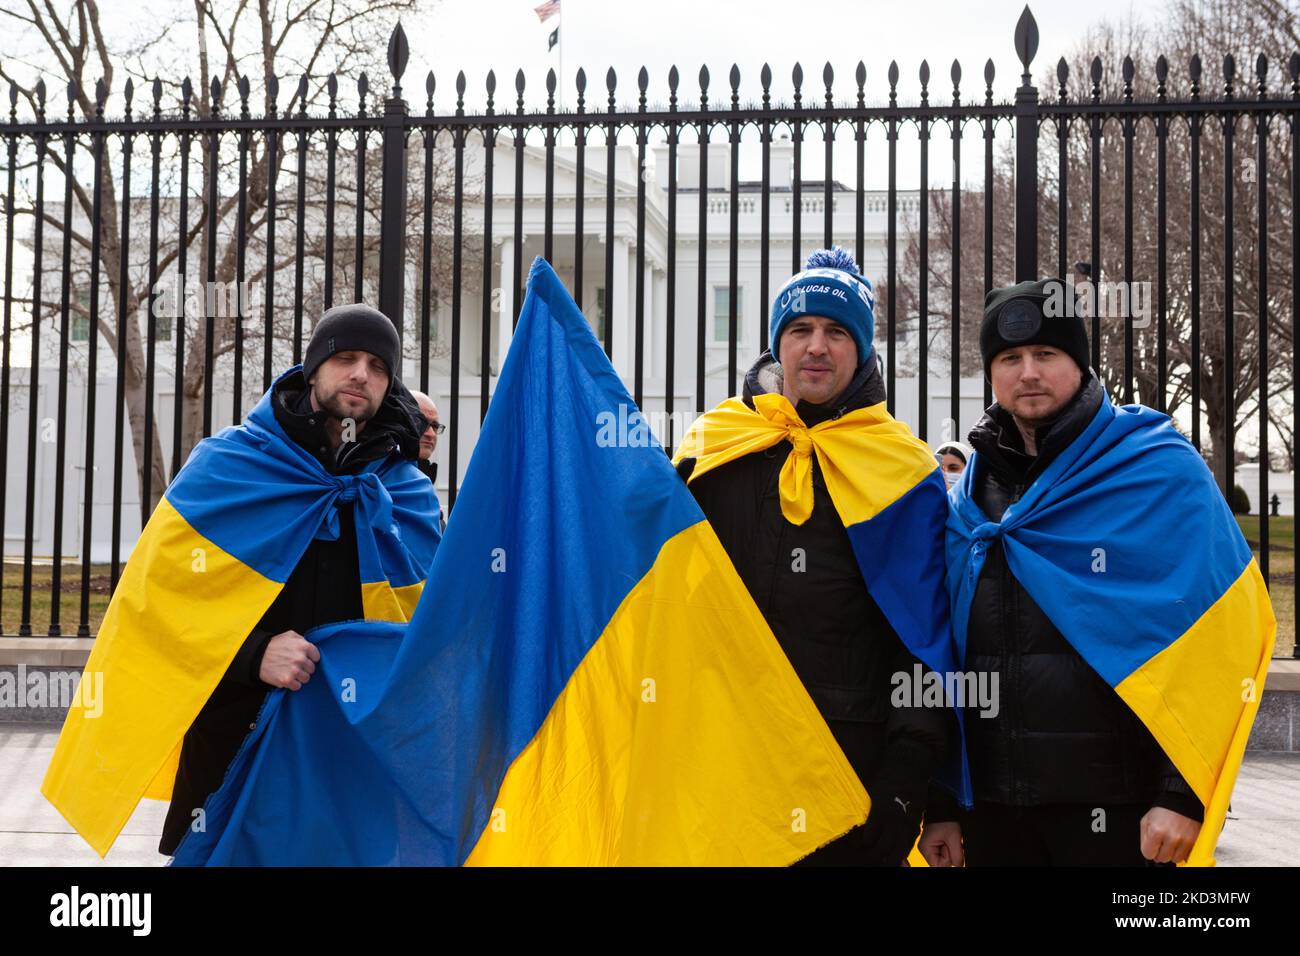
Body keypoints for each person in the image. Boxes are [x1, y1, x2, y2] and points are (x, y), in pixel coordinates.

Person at [918, 279, 1274, 867]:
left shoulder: (1156, 468)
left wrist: (1181, 794)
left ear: (1080, 364)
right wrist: (942, 803)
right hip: (992, 815)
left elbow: (1222, 636)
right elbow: (939, 652)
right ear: (991, 373)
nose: (1028, 372)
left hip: (1123, 814)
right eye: (1009, 358)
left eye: (1046, 354)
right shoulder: (967, 498)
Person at [673, 247, 959, 866]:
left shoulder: (904, 470)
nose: (817, 347)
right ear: (779, 346)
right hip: (721, 758)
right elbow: (652, 582)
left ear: (862, 350)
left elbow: (925, 640)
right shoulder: (714, 445)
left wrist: (907, 780)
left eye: (836, 331)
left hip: (846, 770)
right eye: (800, 330)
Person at [155, 304, 440, 856]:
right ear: (313, 369)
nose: (362, 374)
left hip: (354, 749)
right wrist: (252, 652)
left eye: (379, 367)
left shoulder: (406, 491)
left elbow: (437, 625)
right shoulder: (228, 466)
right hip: (235, 738)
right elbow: (160, 603)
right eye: (346, 357)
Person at [408, 389, 447, 533]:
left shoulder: (424, 477)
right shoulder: (381, 477)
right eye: (421, 422)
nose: (430, 434)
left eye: (435, 426)